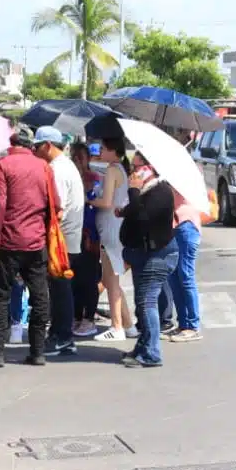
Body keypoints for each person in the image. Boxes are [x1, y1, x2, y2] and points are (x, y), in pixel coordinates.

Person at [0, 126, 55, 366]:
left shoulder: (2, 165)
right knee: (39, 296)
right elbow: (53, 204)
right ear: (30, 145)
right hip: (36, 242)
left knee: (0, 296)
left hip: (8, 241)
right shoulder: (44, 167)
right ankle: (37, 351)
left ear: (11, 143)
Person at [118, 156, 180, 369]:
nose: (133, 172)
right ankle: (144, 345)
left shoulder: (161, 191)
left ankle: (152, 353)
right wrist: (124, 210)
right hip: (142, 253)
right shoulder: (147, 191)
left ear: (149, 168)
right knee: (141, 302)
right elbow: (135, 211)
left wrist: (133, 191)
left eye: (136, 167)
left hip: (158, 255)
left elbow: (143, 216)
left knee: (147, 302)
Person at [34, 126, 85, 357]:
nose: (34, 151)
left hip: (61, 240)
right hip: (66, 239)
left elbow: (58, 210)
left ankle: (62, 336)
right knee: (59, 290)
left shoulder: (58, 170)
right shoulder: (62, 166)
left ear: (48, 146)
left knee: (60, 290)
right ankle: (61, 335)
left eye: (37, 146)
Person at [86, 137, 136, 341]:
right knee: (109, 278)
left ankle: (117, 327)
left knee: (111, 278)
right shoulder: (118, 170)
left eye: (104, 149)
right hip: (112, 227)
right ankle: (128, 324)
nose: (100, 152)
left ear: (114, 151)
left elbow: (106, 202)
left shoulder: (113, 170)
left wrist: (88, 199)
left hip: (110, 227)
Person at [72, 142, 104, 338]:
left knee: (89, 278)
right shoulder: (70, 176)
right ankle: (75, 317)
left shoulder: (95, 179)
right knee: (73, 278)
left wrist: (88, 194)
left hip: (90, 234)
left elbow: (99, 205)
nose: (77, 161)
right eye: (74, 157)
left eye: (81, 158)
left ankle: (88, 318)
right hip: (73, 232)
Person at [165, 188, 205, 342]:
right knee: (174, 277)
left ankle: (193, 326)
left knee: (186, 276)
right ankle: (183, 324)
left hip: (186, 226)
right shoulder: (165, 177)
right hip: (174, 228)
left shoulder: (180, 179)